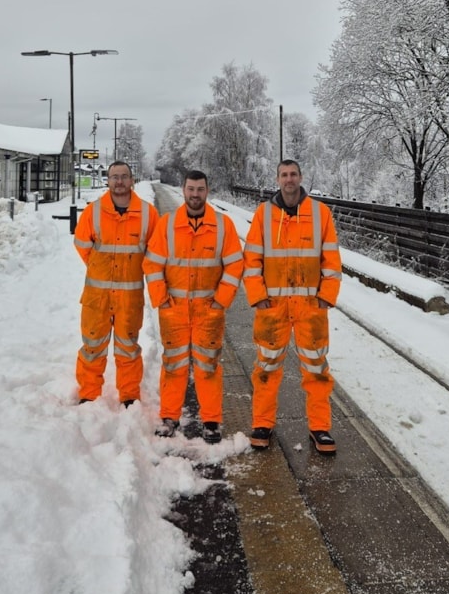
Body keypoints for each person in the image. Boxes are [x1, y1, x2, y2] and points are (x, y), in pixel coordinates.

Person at [243, 159, 342, 454]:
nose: (289, 179)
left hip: (311, 306)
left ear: (301, 177)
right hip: (272, 307)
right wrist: (257, 294)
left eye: (294, 174)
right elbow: (252, 259)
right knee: (266, 367)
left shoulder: (319, 213)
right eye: (284, 174)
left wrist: (327, 295)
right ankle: (262, 424)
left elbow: (332, 259)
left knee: (317, 369)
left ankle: (320, 428)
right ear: (277, 179)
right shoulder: (264, 214)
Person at [143, 170, 244, 443]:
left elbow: (235, 265)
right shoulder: (167, 225)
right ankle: (169, 417)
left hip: (208, 310)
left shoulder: (223, 226)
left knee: (208, 366)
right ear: (183, 190)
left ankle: (211, 421)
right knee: (173, 364)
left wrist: (221, 300)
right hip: (173, 308)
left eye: (200, 189)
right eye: (191, 189)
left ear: (207, 191)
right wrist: (162, 299)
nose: (195, 194)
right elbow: (152, 264)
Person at [73, 161, 159, 406]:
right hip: (96, 295)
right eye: (114, 177)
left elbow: (155, 252)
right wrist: (98, 267)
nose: (119, 181)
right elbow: (82, 244)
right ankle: (89, 393)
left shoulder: (147, 213)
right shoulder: (94, 211)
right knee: (92, 345)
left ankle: (129, 395)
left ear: (132, 180)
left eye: (124, 176)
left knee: (128, 347)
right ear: (108, 181)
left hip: (129, 297)